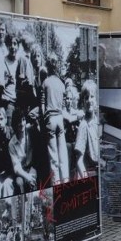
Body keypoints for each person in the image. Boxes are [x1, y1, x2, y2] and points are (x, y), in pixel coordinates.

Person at [41, 53, 69, 184]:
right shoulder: (61, 84)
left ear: (48, 66)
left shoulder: (45, 82)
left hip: (50, 119)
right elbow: (63, 106)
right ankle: (66, 180)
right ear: (56, 66)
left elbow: (42, 103)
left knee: (53, 157)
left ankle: (56, 183)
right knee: (62, 153)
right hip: (60, 119)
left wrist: (44, 117)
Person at [73, 80, 99, 178]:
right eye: (86, 97)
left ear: (96, 100)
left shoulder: (97, 121)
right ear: (83, 101)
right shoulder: (83, 125)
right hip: (88, 173)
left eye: (92, 96)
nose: (89, 100)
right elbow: (79, 161)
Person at [9, 109, 37, 193]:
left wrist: (30, 176)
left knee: (32, 179)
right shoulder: (12, 143)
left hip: (31, 167)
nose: (22, 124)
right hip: (20, 171)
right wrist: (26, 176)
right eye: (19, 121)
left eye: (23, 120)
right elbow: (16, 167)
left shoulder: (31, 134)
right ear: (14, 123)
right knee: (18, 183)